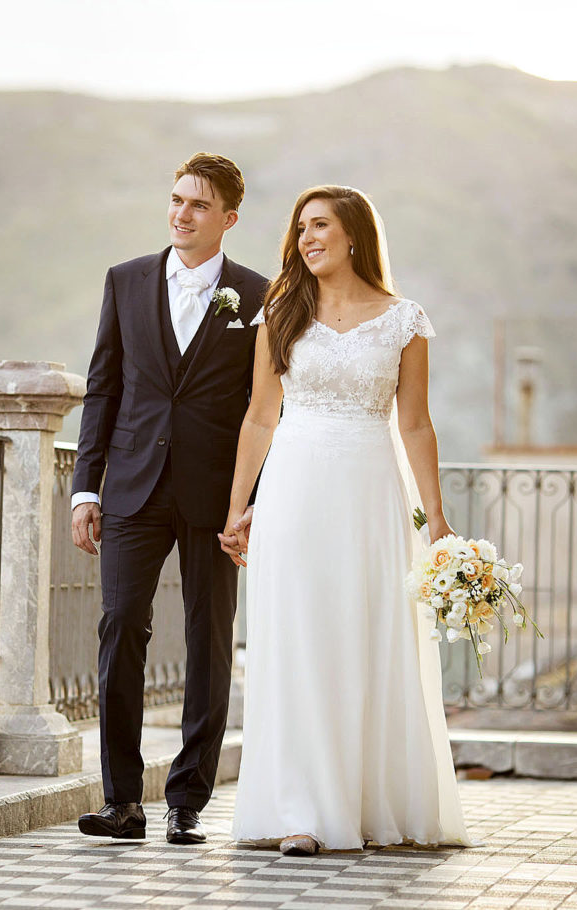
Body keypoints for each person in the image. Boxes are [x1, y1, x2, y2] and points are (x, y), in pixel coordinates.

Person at [219, 185, 474, 854]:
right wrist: (238, 506)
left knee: (363, 639)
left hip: (368, 493)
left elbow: (415, 423)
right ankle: (301, 812)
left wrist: (437, 521)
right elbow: (259, 416)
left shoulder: (403, 320)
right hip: (294, 495)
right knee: (298, 642)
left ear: (354, 234)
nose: (306, 238)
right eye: (300, 227)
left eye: (320, 225)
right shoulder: (280, 313)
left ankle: (366, 804)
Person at [71, 153, 268, 845]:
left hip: (215, 497)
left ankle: (187, 801)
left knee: (208, 642)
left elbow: (264, 407)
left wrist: (252, 503)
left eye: (199, 206)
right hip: (129, 487)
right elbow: (104, 387)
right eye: (176, 200)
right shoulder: (125, 281)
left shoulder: (257, 295)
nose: (182, 215)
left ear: (228, 219)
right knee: (120, 627)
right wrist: (85, 488)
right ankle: (121, 799)